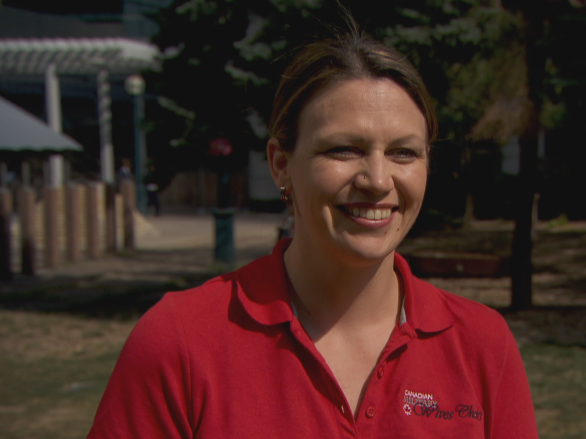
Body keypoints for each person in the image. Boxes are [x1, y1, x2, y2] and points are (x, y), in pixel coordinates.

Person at [88, 23, 537, 439]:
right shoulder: (178, 342)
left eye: (404, 153)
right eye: (344, 149)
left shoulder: (481, 344)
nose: (378, 180)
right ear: (281, 164)